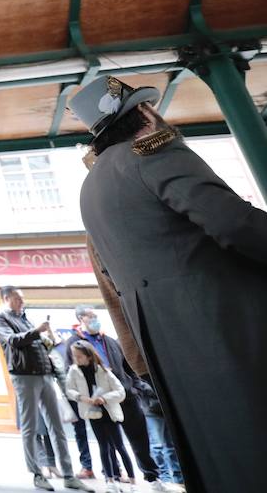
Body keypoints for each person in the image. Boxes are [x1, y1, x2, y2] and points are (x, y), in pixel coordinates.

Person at [70, 74, 267, 493]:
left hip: (170, 352)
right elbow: (235, 224)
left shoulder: (91, 190)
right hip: (229, 329)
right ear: (145, 113)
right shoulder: (153, 152)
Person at [0, 286, 89, 490]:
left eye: (23, 298)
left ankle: (69, 474)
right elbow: (13, 341)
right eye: (18, 298)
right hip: (24, 376)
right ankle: (37, 474)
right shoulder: (0, 318)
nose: (21, 301)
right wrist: (37, 331)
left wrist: (46, 338)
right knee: (30, 428)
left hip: (45, 375)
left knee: (58, 427)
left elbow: (41, 343)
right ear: (6, 298)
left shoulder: (26, 318)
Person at [61, 307, 161, 487]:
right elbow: (70, 374)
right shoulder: (74, 343)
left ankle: (153, 477)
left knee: (139, 437)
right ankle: (113, 478)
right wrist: (83, 398)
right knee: (108, 444)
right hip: (99, 401)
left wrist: (136, 387)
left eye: (95, 316)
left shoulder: (110, 341)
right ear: (80, 318)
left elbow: (127, 368)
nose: (94, 319)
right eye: (90, 317)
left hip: (125, 396)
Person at [63, 340, 132, 489]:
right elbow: (69, 389)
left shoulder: (103, 371)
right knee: (103, 447)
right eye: (74, 356)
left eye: (79, 356)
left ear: (89, 356)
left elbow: (120, 392)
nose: (76, 359)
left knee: (119, 446)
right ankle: (110, 481)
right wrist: (81, 398)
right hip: (92, 413)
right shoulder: (73, 370)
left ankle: (131, 481)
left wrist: (104, 398)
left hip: (109, 411)